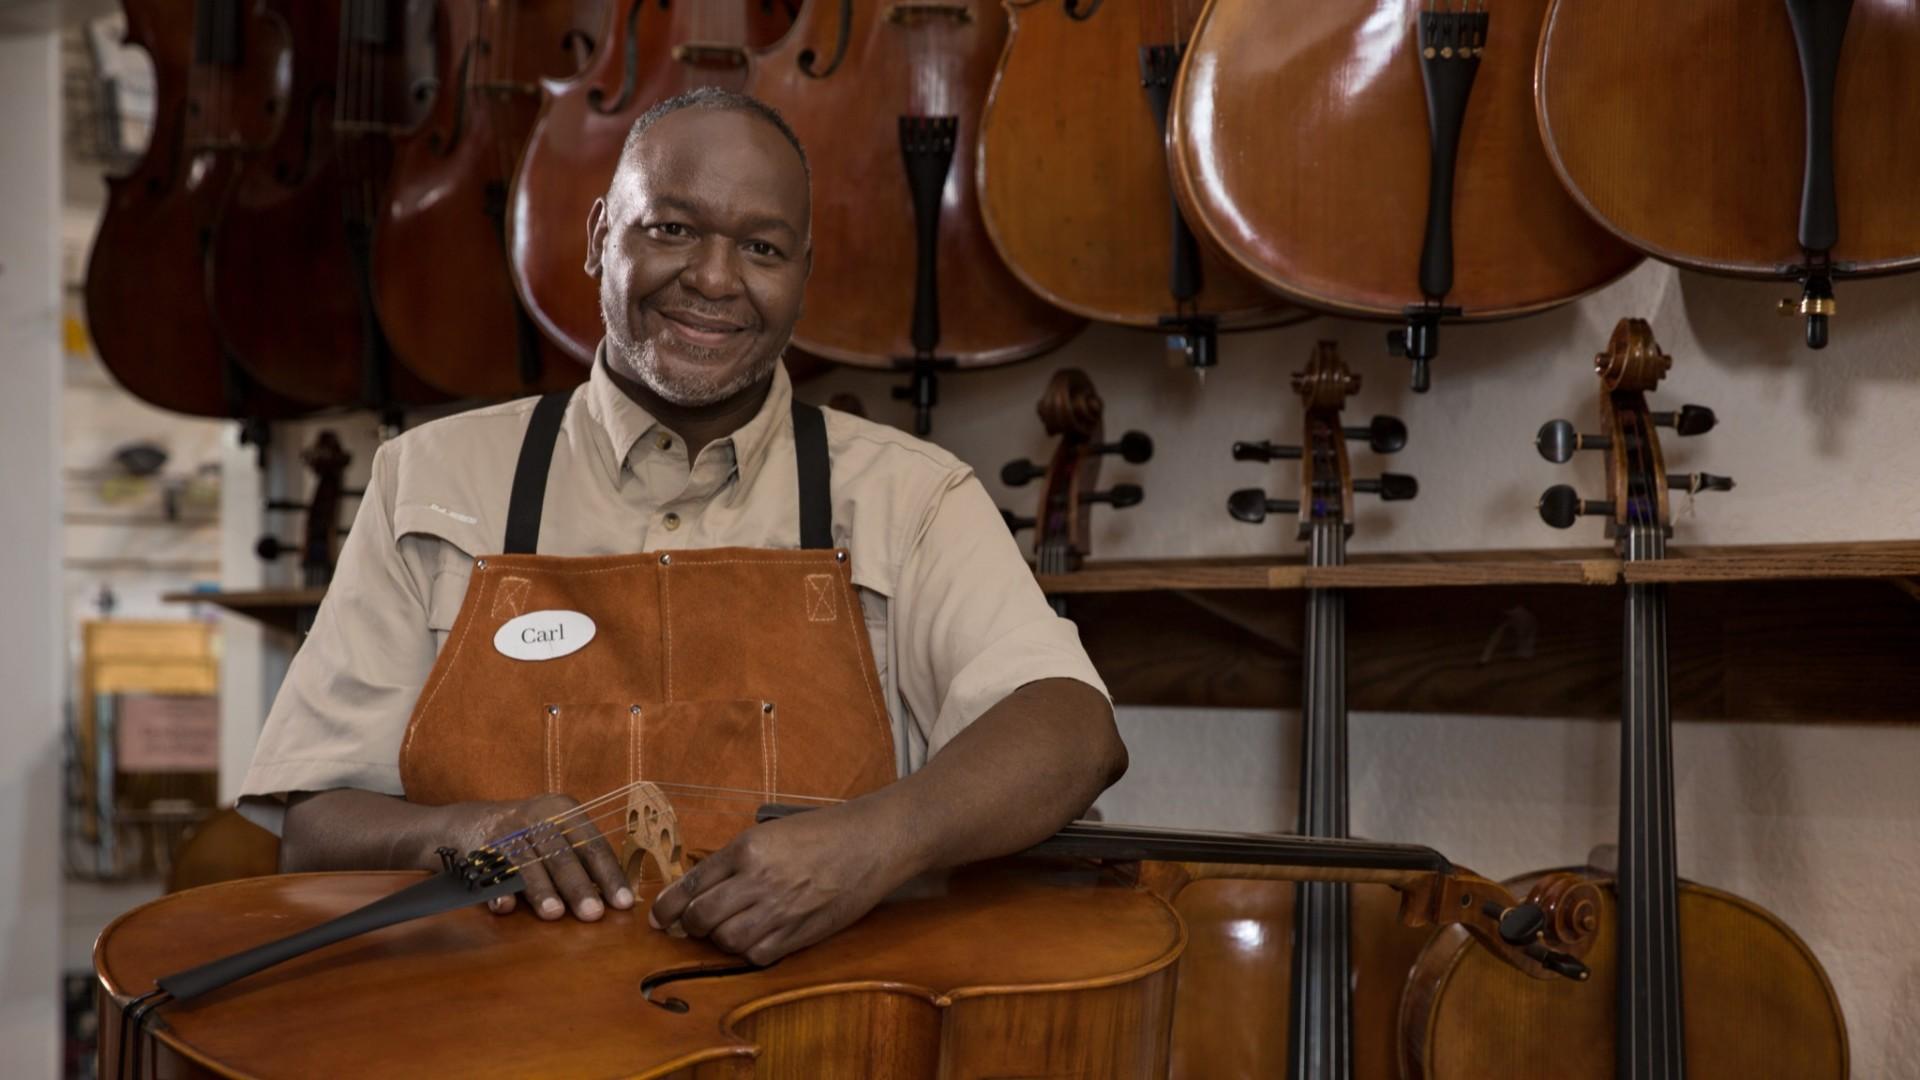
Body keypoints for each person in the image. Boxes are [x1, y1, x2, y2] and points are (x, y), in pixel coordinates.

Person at [237, 87, 1127, 966]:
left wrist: (876, 841)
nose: (712, 277)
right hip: (490, 1044)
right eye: (671, 228)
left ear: (802, 277)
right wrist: (475, 830)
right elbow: (313, 824)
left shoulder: (912, 498)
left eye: (762, 247)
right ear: (597, 239)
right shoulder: (427, 482)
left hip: (804, 1041)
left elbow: (1073, 731)